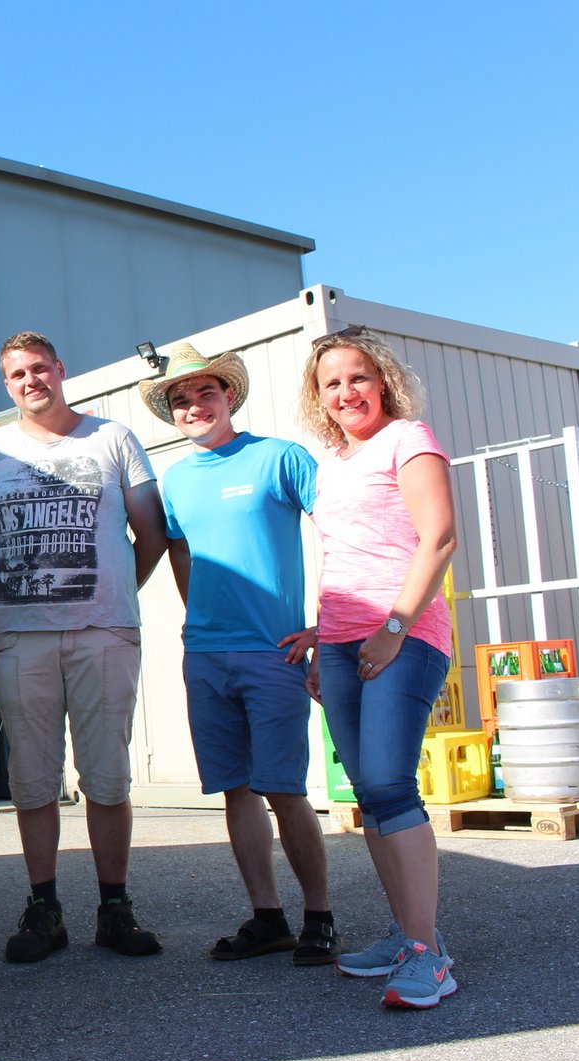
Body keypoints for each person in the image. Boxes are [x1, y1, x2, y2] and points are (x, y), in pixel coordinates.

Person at [0, 331, 170, 963]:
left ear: (60, 370)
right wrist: (5, 599)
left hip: (104, 632)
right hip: (21, 638)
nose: (32, 381)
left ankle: (115, 909)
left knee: (106, 775)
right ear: (6, 385)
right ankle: (44, 909)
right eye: (18, 374)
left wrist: (115, 594)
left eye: (40, 368)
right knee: (32, 779)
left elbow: (151, 533)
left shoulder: (113, 438)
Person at [144, 345, 339, 965]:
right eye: (181, 400)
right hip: (205, 655)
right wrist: (195, 618)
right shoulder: (176, 479)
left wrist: (325, 627)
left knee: (285, 790)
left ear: (229, 396)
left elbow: (340, 531)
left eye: (205, 393)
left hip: (274, 651)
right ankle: (268, 918)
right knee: (236, 789)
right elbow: (180, 550)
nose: (194, 407)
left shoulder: (280, 457)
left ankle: (320, 918)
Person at [300, 325, 458, 1009]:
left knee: (392, 783)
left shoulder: (407, 439)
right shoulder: (331, 462)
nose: (346, 392)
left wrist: (393, 627)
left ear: (383, 380)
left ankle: (430, 956)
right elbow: (345, 556)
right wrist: (322, 639)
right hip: (341, 642)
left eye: (357, 377)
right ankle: (406, 934)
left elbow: (439, 537)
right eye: (331, 383)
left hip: (404, 634)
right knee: (368, 794)